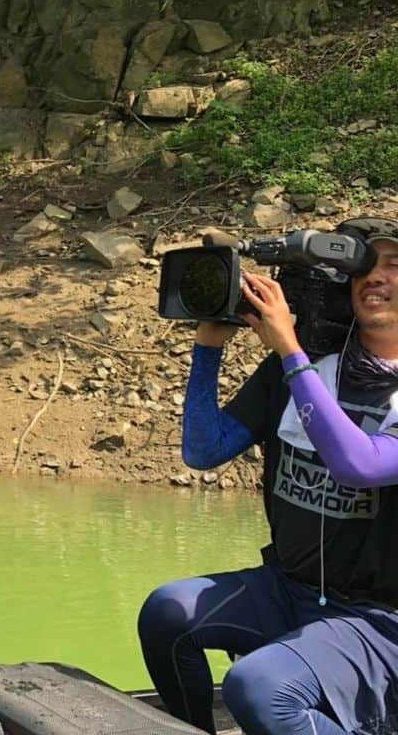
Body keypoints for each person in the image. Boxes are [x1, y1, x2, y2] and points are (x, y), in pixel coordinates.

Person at [137, 217, 398, 735]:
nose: (375, 276)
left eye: (394, 265)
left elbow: (360, 465)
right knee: (166, 613)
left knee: (258, 687)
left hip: (380, 620)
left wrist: (289, 350)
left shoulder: (298, 364)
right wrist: (209, 347)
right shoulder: (306, 368)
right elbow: (204, 450)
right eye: (364, 267)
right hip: (289, 587)